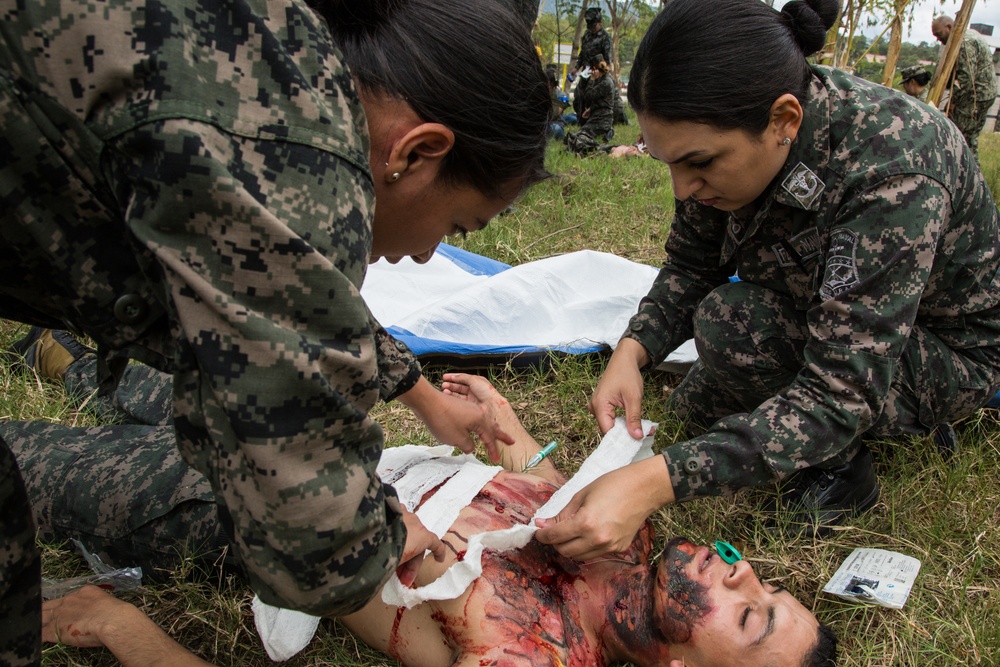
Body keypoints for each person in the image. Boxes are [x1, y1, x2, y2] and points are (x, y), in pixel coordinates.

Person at [0, 0, 550, 661]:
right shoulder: (297, 158)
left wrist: (427, 401)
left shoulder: (290, 67)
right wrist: (389, 538)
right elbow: (313, 540)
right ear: (417, 150)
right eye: (456, 227)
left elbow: (285, 300)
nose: (430, 255)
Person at [534, 0, 1000, 561]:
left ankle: (846, 473)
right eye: (670, 164)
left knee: (735, 327)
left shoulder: (894, 171)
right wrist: (632, 353)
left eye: (700, 164)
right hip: (824, 310)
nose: (684, 189)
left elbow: (840, 391)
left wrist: (654, 484)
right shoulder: (736, 138)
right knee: (705, 382)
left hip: (942, 351)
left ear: (784, 121)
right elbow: (691, 264)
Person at [23, 374, 837, 667]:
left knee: (30, 462)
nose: (741, 569)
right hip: (345, 436)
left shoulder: (533, 655)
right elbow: (542, 493)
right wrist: (507, 426)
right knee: (127, 363)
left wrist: (121, 627)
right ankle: (55, 353)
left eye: (752, 612)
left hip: (242, 510)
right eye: (764, 580)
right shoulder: (631, 536)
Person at [931, 15, 998, 158]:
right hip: (983, 95)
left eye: (939, 34)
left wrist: (953, 101)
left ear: (949, 27)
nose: (938, 39)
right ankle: (972, 174)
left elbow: (966, 78)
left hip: (974, 97)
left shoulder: (964, 42)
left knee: (960, 139)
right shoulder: (966, 37)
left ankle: (964, 173)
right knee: (970, 140)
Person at [572, 7, 628, 126]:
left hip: (599, 72)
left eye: (594, 26)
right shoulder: (586, 36)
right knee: (579, 95)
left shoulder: (605, 37)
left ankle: (609, 119)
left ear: (600, 23)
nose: (592, 29)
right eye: (590, 27)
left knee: (597, 97)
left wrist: (600, 72)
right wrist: (576, 68)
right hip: (586, 72)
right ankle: (581, 119)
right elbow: (582, 53)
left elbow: (607, 59)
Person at [565, 57, 617, 155]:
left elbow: (588, 95)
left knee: (578, 137)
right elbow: (602, 101)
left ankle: (606, 132)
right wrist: (590, 109)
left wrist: (592, 80)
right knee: (576, 135)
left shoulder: (605, 82)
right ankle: (606, 132)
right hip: (597, 116)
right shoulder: (603, 79)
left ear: (595, 70)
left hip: (602, 119)